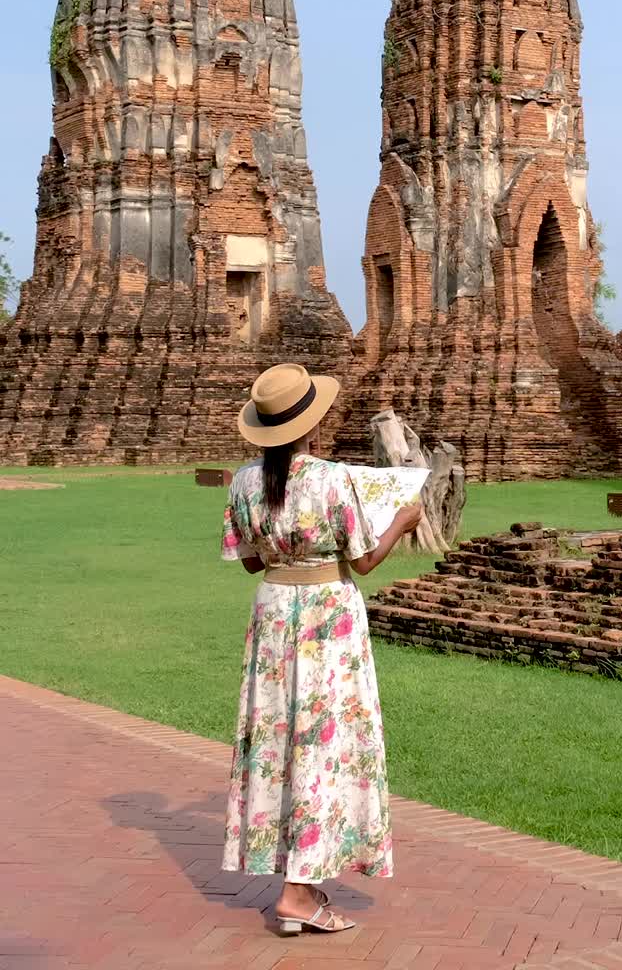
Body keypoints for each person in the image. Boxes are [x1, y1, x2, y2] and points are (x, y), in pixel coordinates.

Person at [220, 362, 422, 935]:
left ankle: (292, 875)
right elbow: (362, 561)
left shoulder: (242, 482)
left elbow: (253, 559)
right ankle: (298, 892)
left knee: (278, 738)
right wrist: (402, 521)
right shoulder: (334, 480)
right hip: (329, 615)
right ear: (313, 422)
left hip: (274, 611)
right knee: (324, 739)